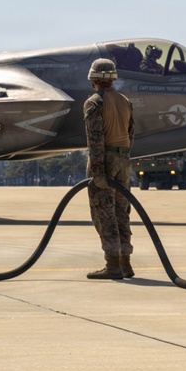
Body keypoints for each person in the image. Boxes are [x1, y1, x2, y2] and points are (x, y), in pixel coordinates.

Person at [83, 58, 135, 279]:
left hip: (105, 160)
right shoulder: (125, 101)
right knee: (121, 213)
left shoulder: (94, 103)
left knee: (104, 213)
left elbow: (95, 141)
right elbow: (131, 135)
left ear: (93, 78)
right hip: (124, 160)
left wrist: (98, 172)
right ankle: (125, 263)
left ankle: (112, 265)